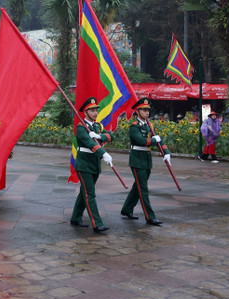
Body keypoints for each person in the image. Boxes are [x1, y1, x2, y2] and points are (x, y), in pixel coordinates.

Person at [120, 98, 169, 226]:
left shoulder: (149, 125)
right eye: (144, 110)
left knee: (138, 187)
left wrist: (166, 151)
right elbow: (141, 141)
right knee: (143, 189)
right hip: (137, 160)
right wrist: (154, 140)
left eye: (148, 110)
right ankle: (150, 216)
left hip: (146, 159)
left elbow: (159, 140)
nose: (147, 112)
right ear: (138, 111)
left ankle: (126, 209)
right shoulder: (134, 126)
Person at [70, 97, 113, 233]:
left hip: (94, 164)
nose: (95, 113)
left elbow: (110, 135)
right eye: (92, 110)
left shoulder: (98, 126)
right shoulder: (81, 127)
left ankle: (76, 217)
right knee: (90, 194)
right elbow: (90, 144)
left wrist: (100, 137)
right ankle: (97, 223)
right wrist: (103, 153)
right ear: (85, 112)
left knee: (85, 192)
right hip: (84, 165)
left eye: (96, 110)